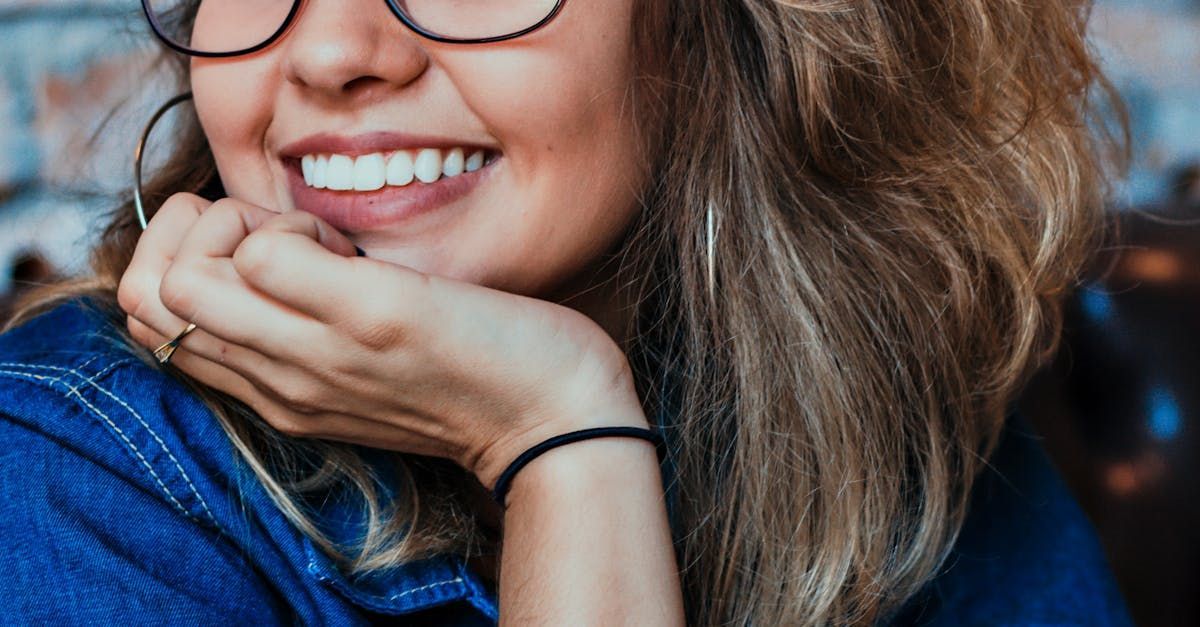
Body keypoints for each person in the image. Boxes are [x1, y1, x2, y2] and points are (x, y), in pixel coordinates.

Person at [0, 0, 1134, 624]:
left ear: (711, 26)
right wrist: (563, 446)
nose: (335, 50)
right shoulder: (69, 473)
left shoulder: (884, 410)